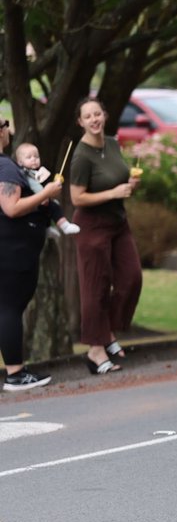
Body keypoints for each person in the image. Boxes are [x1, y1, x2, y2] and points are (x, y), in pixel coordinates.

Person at [70, 98, 144, 374]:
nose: (94, 119)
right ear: (81, 122)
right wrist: (113, 193)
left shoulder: (112, 143)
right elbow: (77, 197)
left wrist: (129, 185)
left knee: (131, 279)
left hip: (118, 223)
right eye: (87, 116)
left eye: (97, 113)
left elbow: (116, 177)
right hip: (92, 227)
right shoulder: (80, 156)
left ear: (105, 115)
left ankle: (108, 332)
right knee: (96, 288)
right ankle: (95, 350)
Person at [0, 119, 55, 390]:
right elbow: (11, 207)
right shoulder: (5, 166)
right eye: (3, 123)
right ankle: (15, 373)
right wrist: (47, 193)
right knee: (9, 308)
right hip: (11, 251)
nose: (8, 127)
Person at [12, 143, 80, 236]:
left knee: (48, 209)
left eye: (36, 157)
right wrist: (44, 194)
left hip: (39, 200)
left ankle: (47, 228)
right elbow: (34, 185)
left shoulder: (38, 172)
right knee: (54, 206)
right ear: (20, 162)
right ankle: (64, 225)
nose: (34, 159)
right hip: (34, 200)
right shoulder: (25, 173)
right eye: (29, 157)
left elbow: (44, 183)